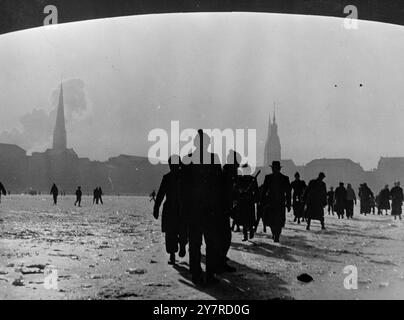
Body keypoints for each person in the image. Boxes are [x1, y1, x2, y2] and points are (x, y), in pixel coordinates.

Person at [181, 129, 224, 285]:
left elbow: (183, 186)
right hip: (209, 209)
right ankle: (209, 275)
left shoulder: (188, 159)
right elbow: (220, 185)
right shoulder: (214, 158)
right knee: (210, 244)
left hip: (195, 209)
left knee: (195, 243)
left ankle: (196, 274)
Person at [153, 155, 188, 265]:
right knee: (176, 232)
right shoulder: (180, 177)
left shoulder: (171, 177)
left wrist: (156, 208)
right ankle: (176, 250)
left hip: (175, 209)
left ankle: (177, 250)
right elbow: (160, 194)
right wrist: (156, 207)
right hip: (178, 208)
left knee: (174, 232)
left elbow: (160, 195)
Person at [261, 161, 291, 243]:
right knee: (275, 220)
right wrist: (288, 204)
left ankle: (276, 234)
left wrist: (288, 204)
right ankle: (275, 234)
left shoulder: (270, 178)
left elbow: (288, 192)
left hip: (274, 202)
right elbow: (264, 191)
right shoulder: (283, 178)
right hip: (276, 202)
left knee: (275, 220)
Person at [233, 165, 259, 241]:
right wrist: (240, 191)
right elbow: (235, 189)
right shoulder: (240, 179)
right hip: (242, 201)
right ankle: (245, 234)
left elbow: (256, 191)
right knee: (244, 218)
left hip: (249, 201)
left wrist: (255, 199)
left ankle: (251, 231)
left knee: (250, 218)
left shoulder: (252, 179)